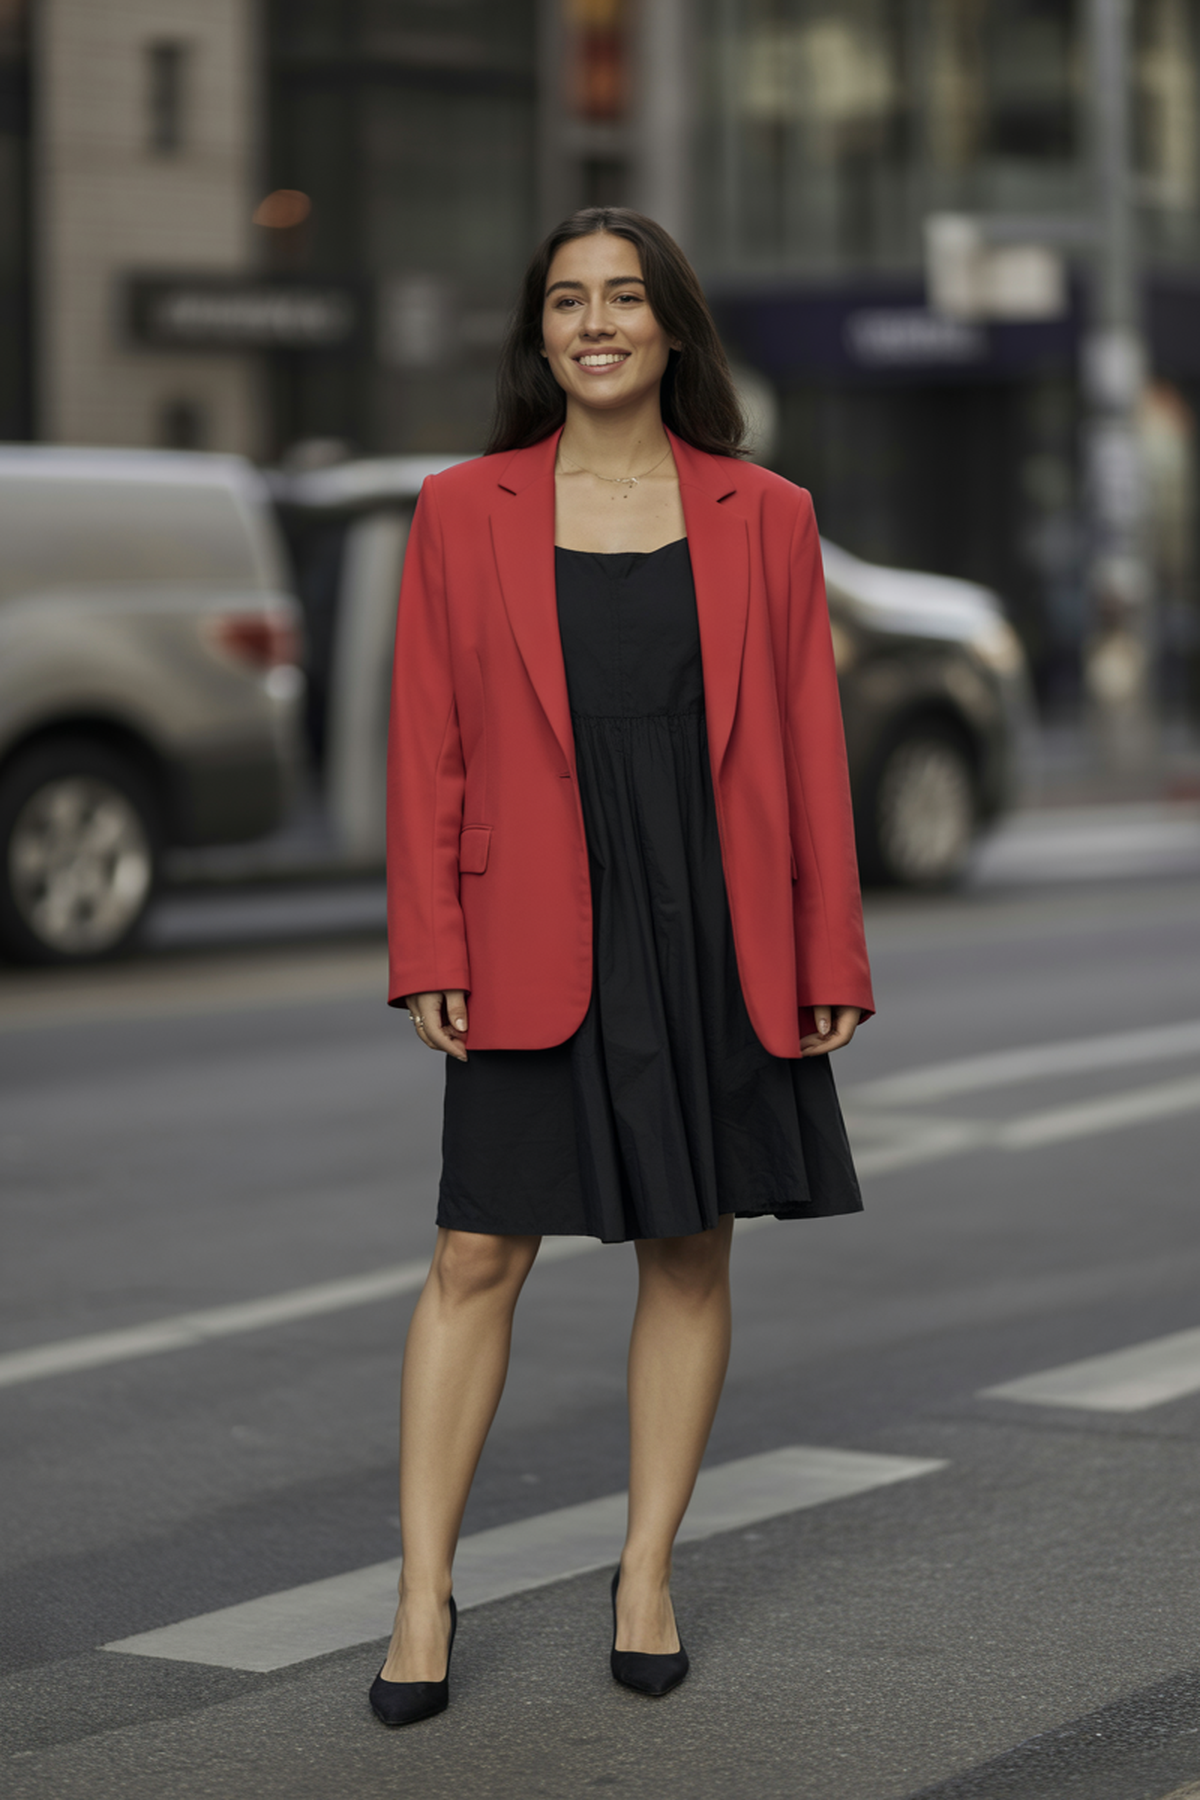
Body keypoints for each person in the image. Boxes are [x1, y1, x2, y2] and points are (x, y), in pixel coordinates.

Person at [373, 207, 874, 1727]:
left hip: (711, 918)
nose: (597, 322)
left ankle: (645, 1566)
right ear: (541, 333)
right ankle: (421, 1591)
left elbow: (805, 742)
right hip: (525, 915)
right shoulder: (461, 510)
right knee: (477, 1253)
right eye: (569, 300)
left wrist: (826, 940)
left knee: (693, 1242)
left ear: (670, 329)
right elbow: (426, 750)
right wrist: (428, 948)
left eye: (626, 298)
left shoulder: (764, 512)